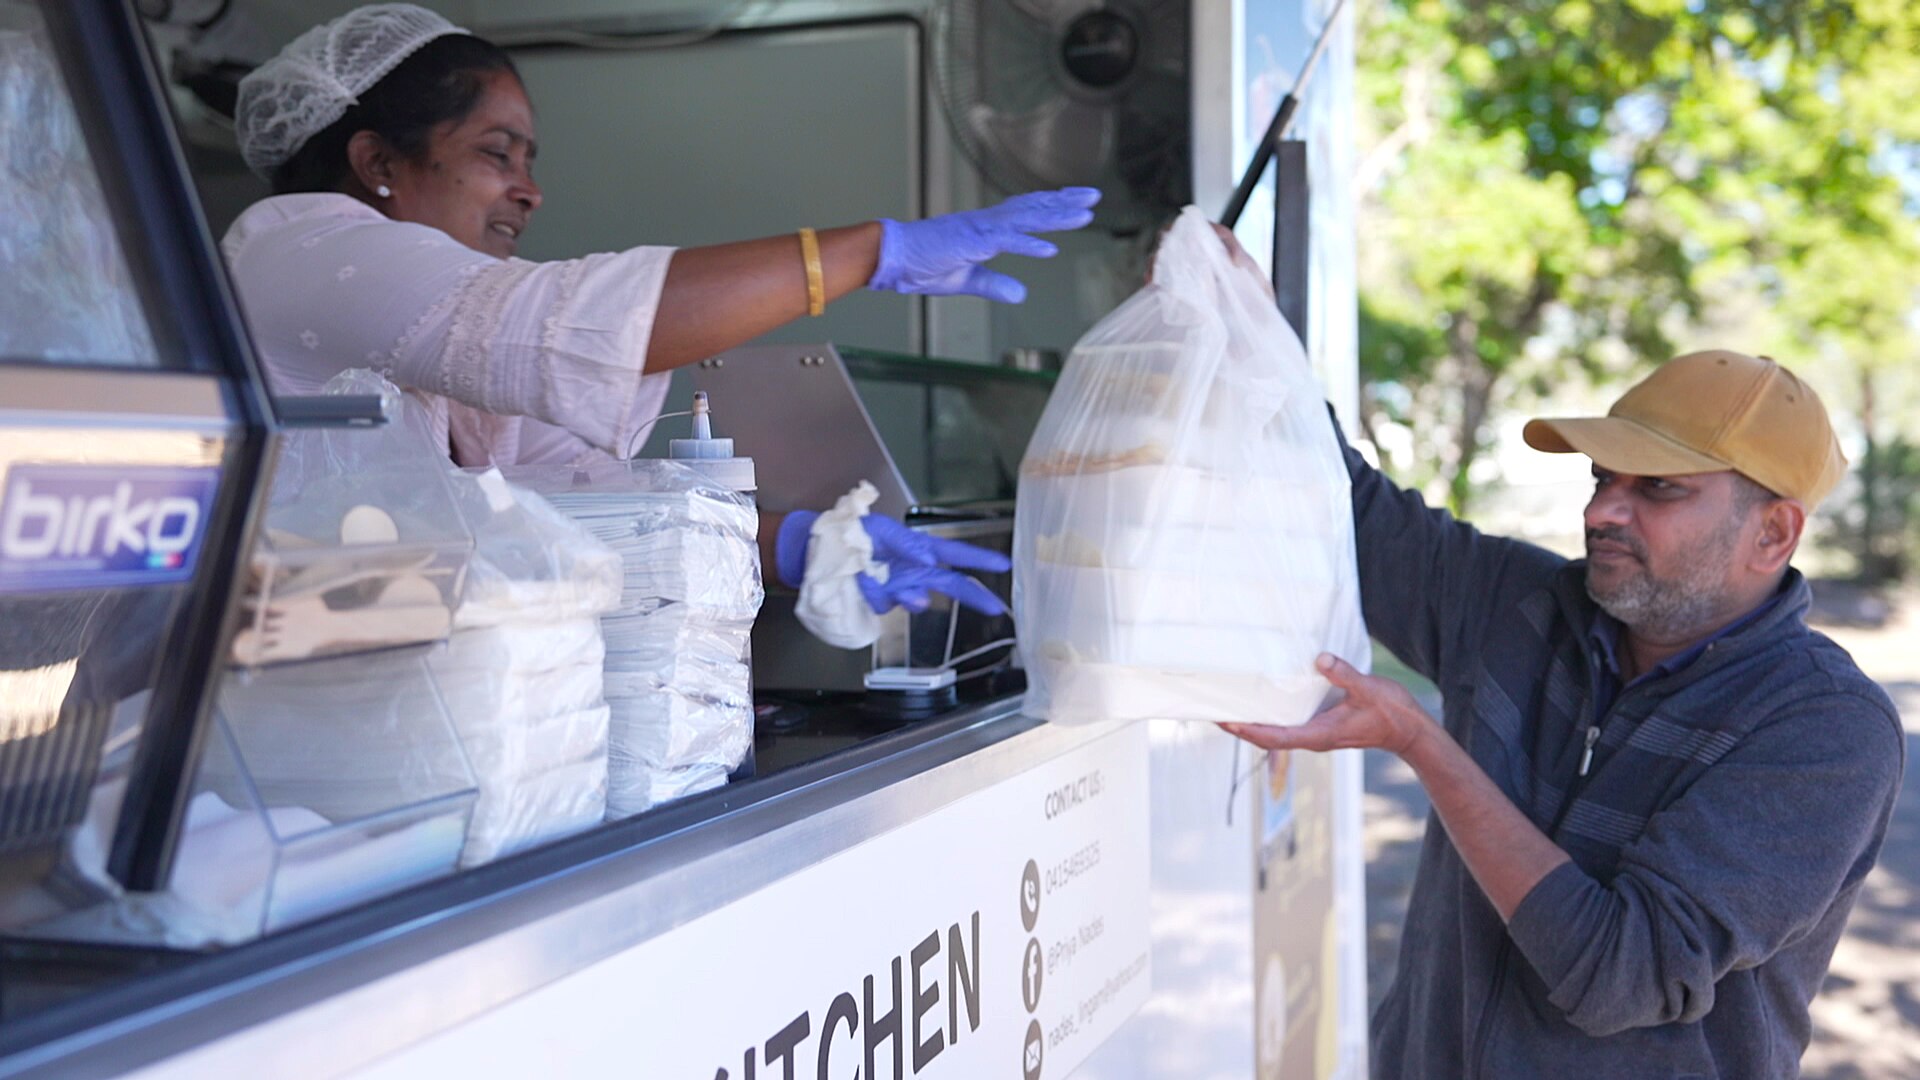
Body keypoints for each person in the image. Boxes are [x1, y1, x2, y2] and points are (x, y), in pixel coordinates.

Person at [223, 3, 1093, 629]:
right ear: (376, 159)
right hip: (281, 733)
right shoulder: (298, 249)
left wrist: (796, 545)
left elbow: (573, 512)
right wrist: (870, 252)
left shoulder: (450, 335)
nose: (529, 190)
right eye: (497, 154)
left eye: (530, 159)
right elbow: (564, 323)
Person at [1224, 348, 1903, 1078]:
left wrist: (1423, 746)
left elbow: (1621, 973)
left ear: (1772, 533)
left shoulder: (1825, 726)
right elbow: (1338, 503)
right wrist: (1245, 335)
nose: (1601, 510)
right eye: (1604, 477)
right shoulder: (1516, 603)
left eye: (1659, 488)